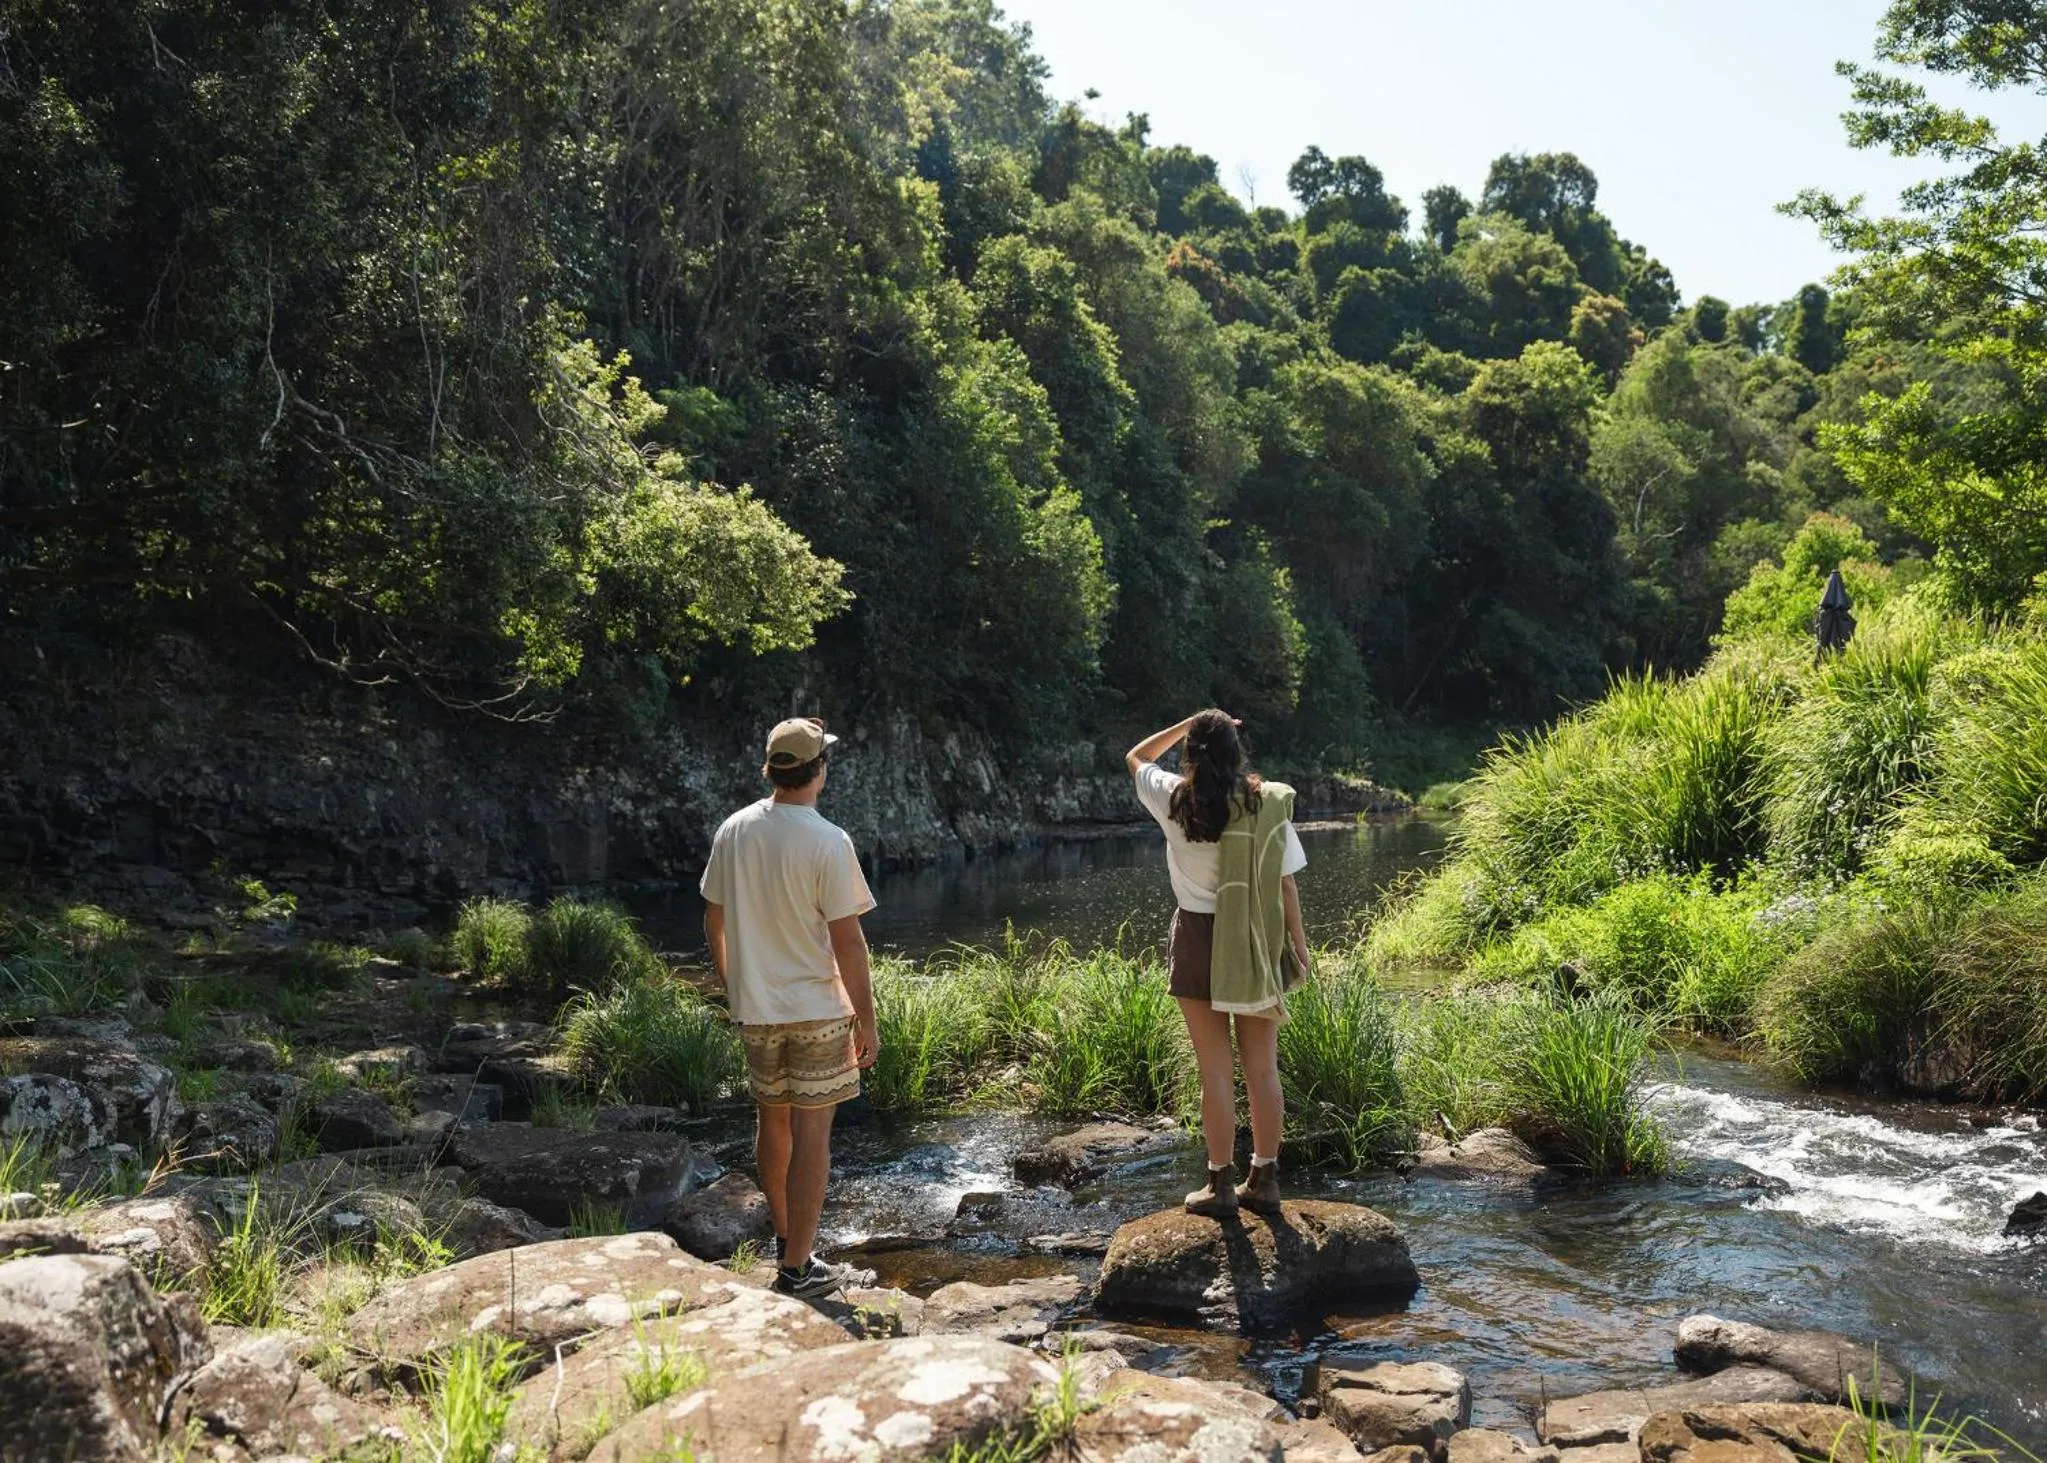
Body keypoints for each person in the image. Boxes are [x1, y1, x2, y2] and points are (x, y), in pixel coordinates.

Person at [701, 716, 881, 1298]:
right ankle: (799, 1269)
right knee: (813, 1136)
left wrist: (737, 988)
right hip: (817, 1010)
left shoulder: (734, 829)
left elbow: (714, 917)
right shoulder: (828, 840)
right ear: (819, 771)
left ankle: (788, 1246)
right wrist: (868, 1019)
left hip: (757, 1010)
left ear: (772, 770)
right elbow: (849, 942)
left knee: (770, 1122)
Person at [1127, 710, 1311, 1217]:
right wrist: (1299, 945)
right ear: (1237, 752)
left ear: (1189, 751)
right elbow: (1285, 881)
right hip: (1252, 936)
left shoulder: (1172, 797)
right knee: (1262, 1068)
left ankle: (1220, 1186)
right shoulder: (1264, 803)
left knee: (1215, 1073)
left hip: (1196, 938)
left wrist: (1184, 725)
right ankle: (1266, 1179)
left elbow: (1137, 756)